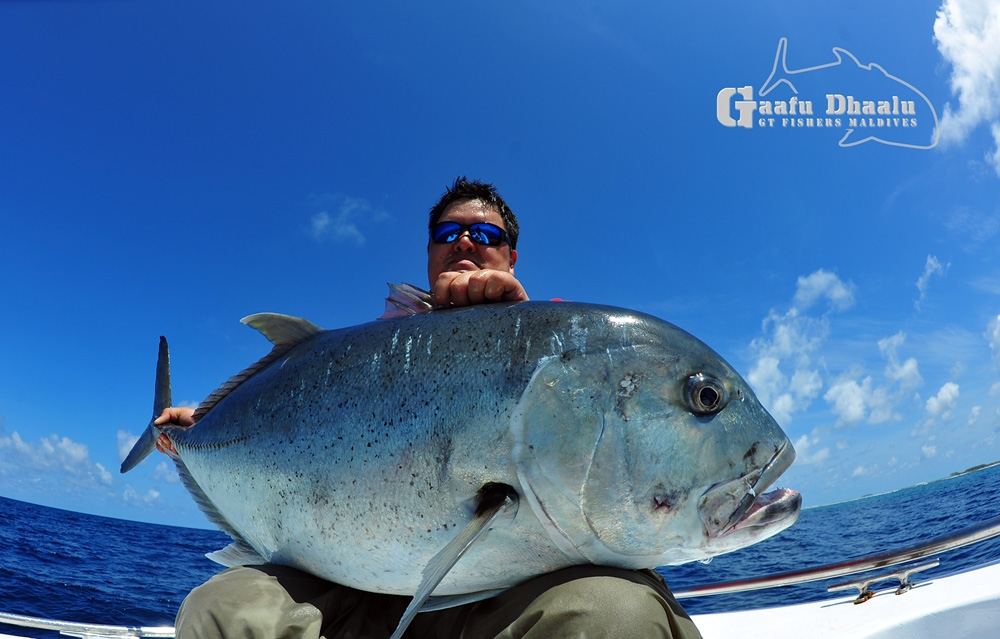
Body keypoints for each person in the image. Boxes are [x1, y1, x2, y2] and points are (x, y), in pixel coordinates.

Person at [156, 177, 703, 639]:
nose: (465, 241)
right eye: (449, 232)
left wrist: (513, 330)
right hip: (349, 585)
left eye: (486, 233)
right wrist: (197, 431)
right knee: (219, 609)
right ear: (430, 251)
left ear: (510, 256)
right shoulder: (368, 354)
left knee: (619, 619)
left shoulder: (569, 349)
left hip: (509, 600)